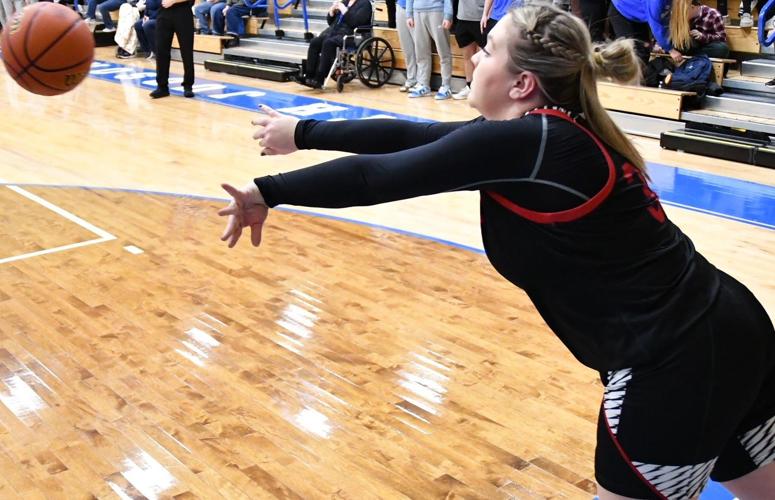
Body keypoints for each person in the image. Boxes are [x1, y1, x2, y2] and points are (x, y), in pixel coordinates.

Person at [220, 4, 775, 498]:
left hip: (676, 359)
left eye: (488, 49)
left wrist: (271, 191)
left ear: (521, 85)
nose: (473, 55)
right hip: (731, 327)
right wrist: (303, 131)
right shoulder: (543, 137)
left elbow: (377, 178)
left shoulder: (531, 143)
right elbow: (415, 139)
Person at [298, 0, 372, 89]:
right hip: (334, 32)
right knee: (315, 42)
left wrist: (345, 11)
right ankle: (309, 76)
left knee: (328, 43)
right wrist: (331, 12)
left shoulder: (365, 4)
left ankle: (319, 78)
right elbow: (331, 23)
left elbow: (355, 23)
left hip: (351, 36)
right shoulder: (345, 2)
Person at [406, 0, 453, 98]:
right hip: (417, 12)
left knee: (443, 50)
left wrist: (448, 15)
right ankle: (423, 84)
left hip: (437, 11)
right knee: (421, 51)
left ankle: (446, 85)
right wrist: (409, 14)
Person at [151, 0, 195, 98]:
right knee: (161, 51)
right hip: (164, 11)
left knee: (186, 50)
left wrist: (173, 1)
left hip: (182, 11)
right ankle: (162, 87)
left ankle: (188, 85)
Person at [452, 0, 486, 99]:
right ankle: (469, 86)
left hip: (481, 17)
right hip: (463, 17)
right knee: (468, 57)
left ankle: (481, 88)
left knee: (482, 58)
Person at [396, 0, 419, 92]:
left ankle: (421, 81)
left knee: (419, 47)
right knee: (407, 47)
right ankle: (411, 79)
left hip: (417, 8)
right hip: (401, 6)